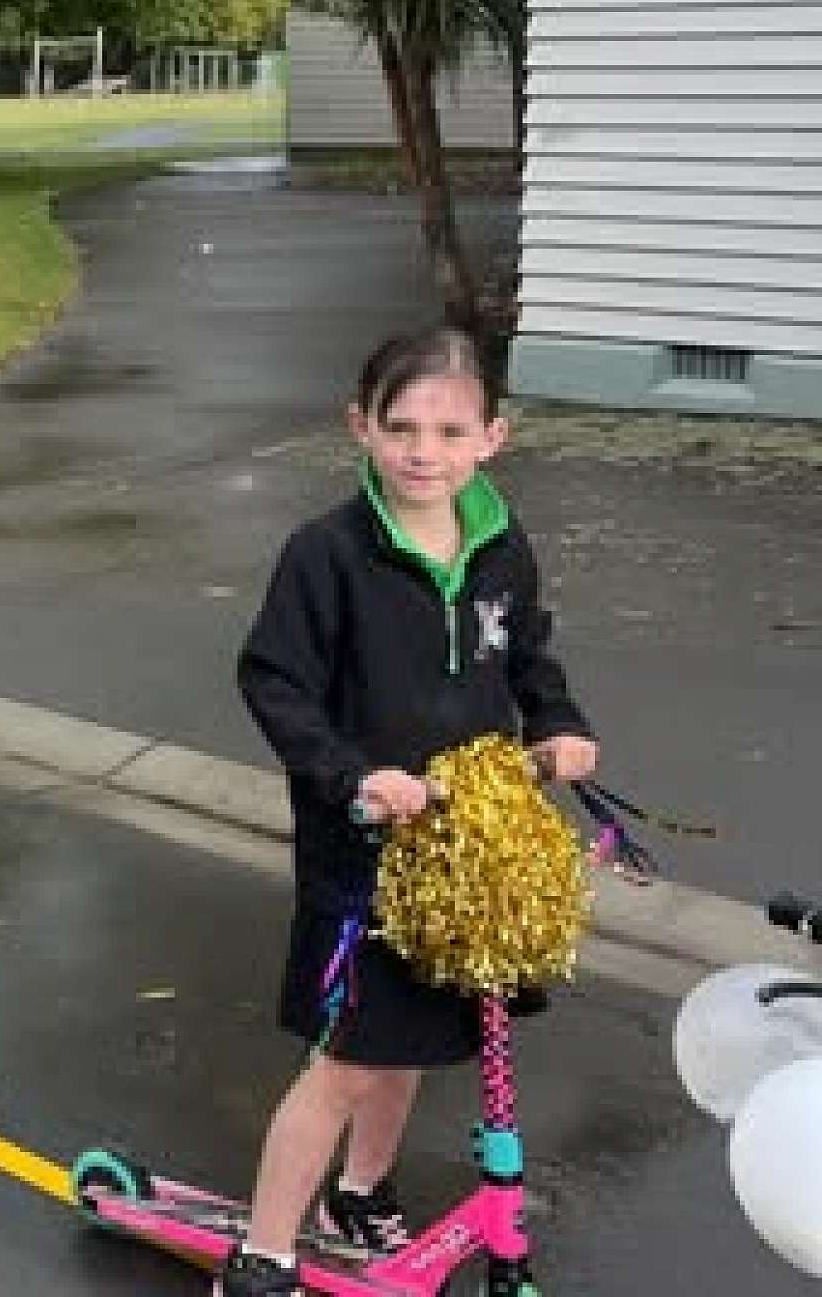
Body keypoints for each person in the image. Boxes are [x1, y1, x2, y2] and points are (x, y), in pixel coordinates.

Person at [217, 327, 599, 1297]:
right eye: (401, 427)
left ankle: (358, 1191)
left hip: (466, 857)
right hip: (364, 855)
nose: (423, 450)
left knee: (412, 1044)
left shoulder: (501, 548)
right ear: (361, 426)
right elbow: (274, 682)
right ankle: (265, 1248)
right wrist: (352, 775)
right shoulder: (326, 555)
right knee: (348, 1058)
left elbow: (528, 659)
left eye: (449, 430)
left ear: (491, 437)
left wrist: (558, 725)